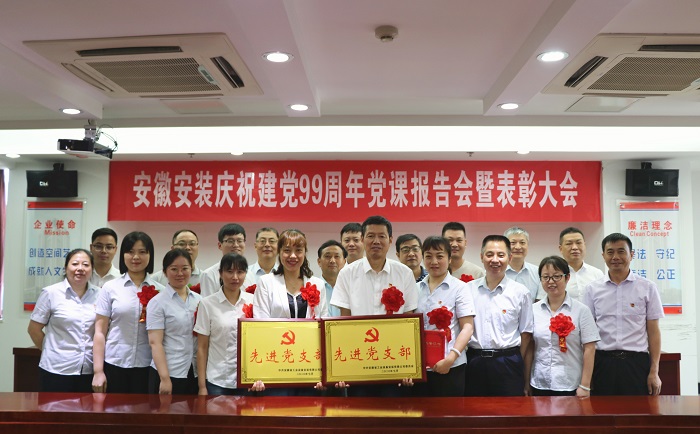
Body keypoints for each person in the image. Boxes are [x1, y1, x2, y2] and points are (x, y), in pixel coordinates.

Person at [331, 215, 418, 397]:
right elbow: (343, 321)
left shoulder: (404, 274)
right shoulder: (347, 274)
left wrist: (410, 366)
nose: (376, 241)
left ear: (390, 240)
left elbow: (409, 320)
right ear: (363, 239)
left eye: (382, 236)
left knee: (393, 410)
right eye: (371, 236)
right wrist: (343, 368)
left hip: (394, 361)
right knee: (360, 410)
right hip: (358, 360)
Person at [583, 233, 664, 396]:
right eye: (610, 252)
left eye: (621, 251)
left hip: (636, 363)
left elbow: (653, 332)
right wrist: (586, 376)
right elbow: (587, 334)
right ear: (603, 256)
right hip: (602, 362)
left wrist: (654, 371)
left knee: (637, 410)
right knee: (602, 410)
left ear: (631, 255)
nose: (615, 257)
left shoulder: (647, 287)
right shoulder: (592, 290)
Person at [92, 231, 165, 393]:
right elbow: (100, 331)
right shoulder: (110, 288)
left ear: (150, 255)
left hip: (148, 365)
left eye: (142, 252)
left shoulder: (161, 291)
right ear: (123, 255)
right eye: (130, 251)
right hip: (115, 363)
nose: (136, 257)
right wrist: (98, 371)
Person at [465, 235, 533, 397]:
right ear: (481, 257)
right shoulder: (467, 290)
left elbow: (526, 333)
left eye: (501, 255)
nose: (495, 260)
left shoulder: (521, 292)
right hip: (475, 361)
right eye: (489, 254)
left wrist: (513, 358)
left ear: (509, 258)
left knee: (510, 410)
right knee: (474, 409)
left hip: (508, 362)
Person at [28, 249, 101, 392]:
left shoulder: (100, 294)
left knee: (88, 407)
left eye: (86, 265)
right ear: (66, 267)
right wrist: (51, 351)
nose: (80, 268)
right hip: (56, 370)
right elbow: (33, 329)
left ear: (92, 269)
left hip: (89, 370)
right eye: (75, 264)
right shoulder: (50, 293)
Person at [527, 256, 599, 397]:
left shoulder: (581, 311)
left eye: (556, 276)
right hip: (539, 383)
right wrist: (526, 382)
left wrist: (585, 386)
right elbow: (530, 346)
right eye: (546, 277)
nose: (551, 281)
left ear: (567, 278)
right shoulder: (533, 310)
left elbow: (589, 348)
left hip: (570, 384)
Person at [413, 236, 475, 397]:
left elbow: (468, 327)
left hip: (451, 366)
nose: (434, 261)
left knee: (450, 412)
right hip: (421, 367)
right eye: (428, 256)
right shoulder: (415, 289)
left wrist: (451, 358)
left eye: (439, 256)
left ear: (449, 259)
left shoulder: (460, 288)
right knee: (421, 411)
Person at [194, 253, 255, 395]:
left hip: (247, 380)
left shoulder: (253, 301)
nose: (235, 277)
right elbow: (202, 348)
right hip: (217, 380)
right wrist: (202, 386)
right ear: (220, 273)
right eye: (230, 271)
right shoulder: (207, 304)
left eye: (240, 272)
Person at [147, 249, 202, 395]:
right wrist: (164, 379)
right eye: (174, 269)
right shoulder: (157, 302)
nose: (180, 273)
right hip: (169, 372)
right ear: (165, 272)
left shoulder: (199, 300)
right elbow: (155, 343)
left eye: (185, 268)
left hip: (194, 371)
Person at [254, 229, 328, 320]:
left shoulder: (318, 284)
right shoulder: (265, 283)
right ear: (279, 252)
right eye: (287, 250)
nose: (293, 255)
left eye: (298, 250)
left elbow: (323, 320)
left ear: (304, 253)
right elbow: (260, 321)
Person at [544, 227, 604, 303]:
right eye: (569, 243)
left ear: (584, 245)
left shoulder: (597, 274)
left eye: (579, 243)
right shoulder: (553, 276)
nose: (575, 247)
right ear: (561, 248)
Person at [201, 224, 252, 297]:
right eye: (230, 241)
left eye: (239, 241)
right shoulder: (209, 274)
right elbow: (208, 302)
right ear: (219, 245)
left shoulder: (250, 273)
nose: (236, 245)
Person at [504, 226, 540, 301]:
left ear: (528, 245)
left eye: (522, 243)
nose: (518, 247)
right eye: (513, 243)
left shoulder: (537, 272)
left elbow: (540, 301)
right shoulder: (496, 271)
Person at [317, 240, 347, 317]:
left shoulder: (350, 287)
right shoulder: (312, 287)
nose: (332, 261)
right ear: (319, 261)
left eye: (337, 256)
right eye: (327, 256)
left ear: (344, 262)